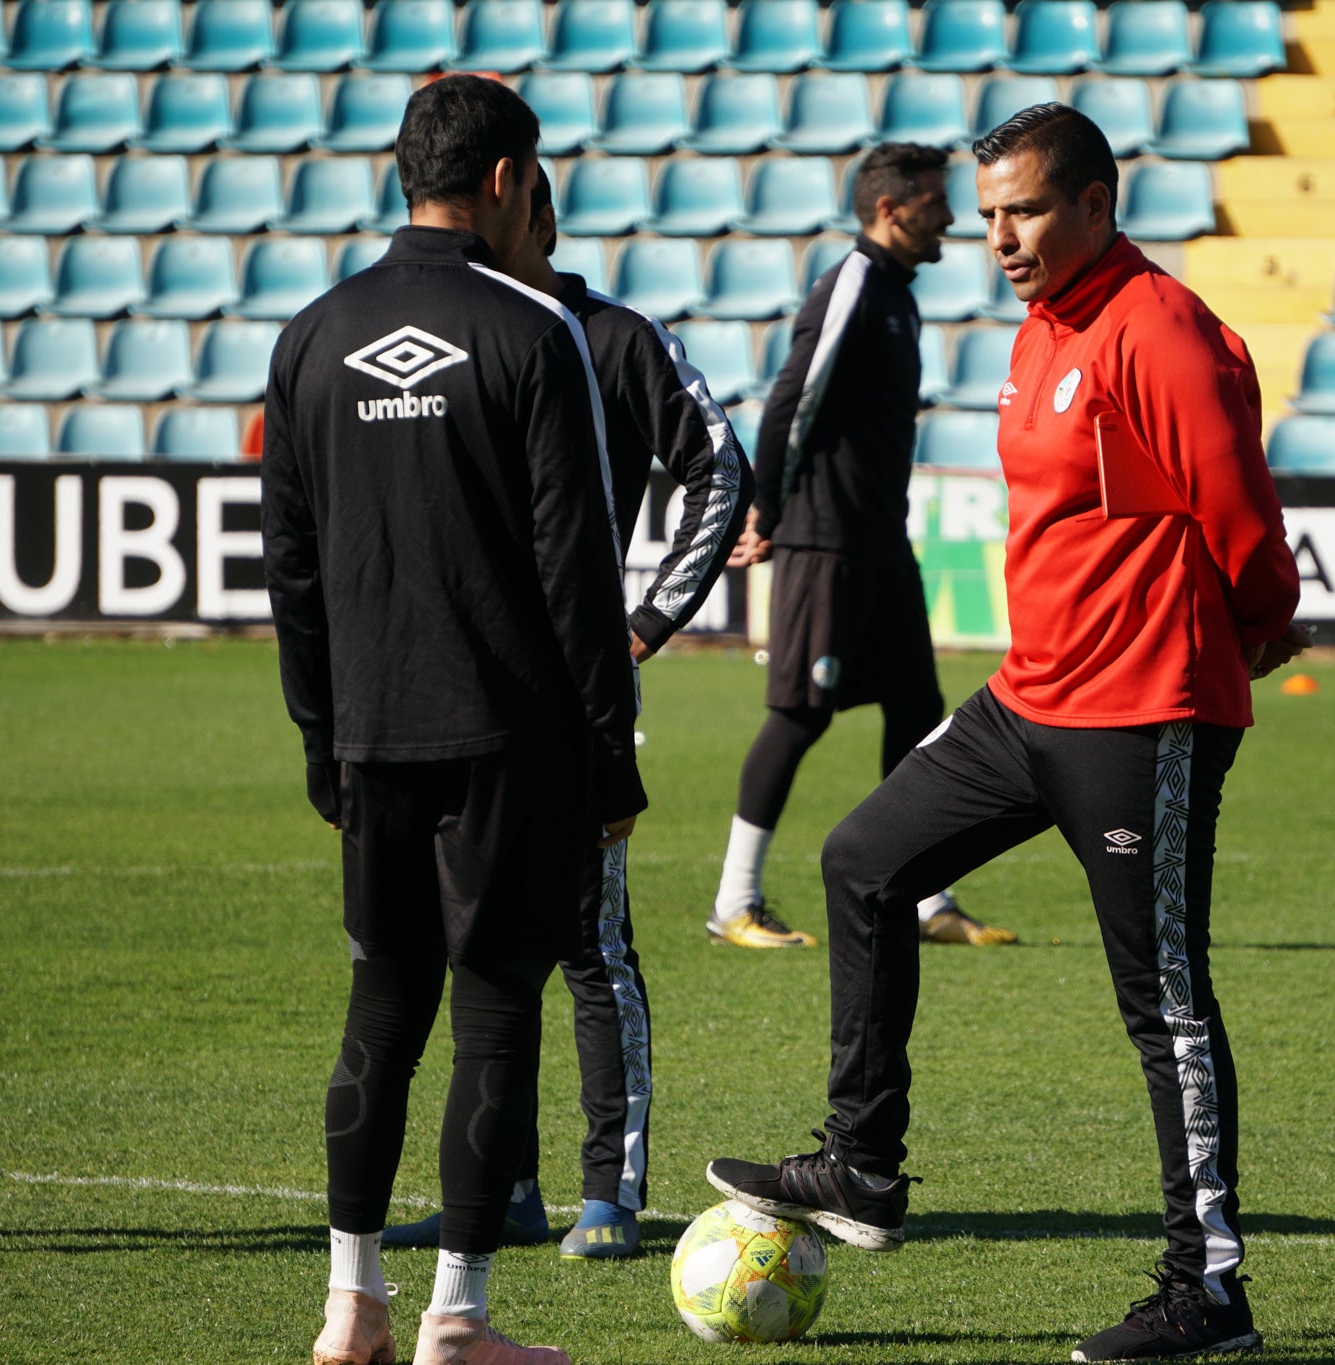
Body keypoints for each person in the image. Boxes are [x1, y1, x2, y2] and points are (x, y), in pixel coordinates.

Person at [704, 103, 1312, 1363]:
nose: (999, 237)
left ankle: (1207, 1288)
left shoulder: (1161, 331)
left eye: (1024, 210)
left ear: (1096, 203)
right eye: (986, 216)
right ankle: (863, 1166)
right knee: (861, 862)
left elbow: (1243, 519)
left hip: (1140, 714)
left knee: (1165, 1005)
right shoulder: (1040, 330)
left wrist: (1256, 628)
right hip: (1025, 700)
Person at [262, 75, 644, 1365]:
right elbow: (575, 572)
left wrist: (322, 738)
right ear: (504, 180)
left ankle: (347, 1309)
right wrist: (608, 752)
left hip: (370, 733)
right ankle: (460, 1325)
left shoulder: (312, 336)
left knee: (378, 1008)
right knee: (492, 1015)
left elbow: (292, 566)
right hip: (506, 741)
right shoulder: (534, 335)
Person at [385, 178, 755, 1260]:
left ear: (534, 223)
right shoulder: (447, 342)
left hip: (578, 696)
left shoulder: (617, 340)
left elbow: (719, 470)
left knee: (591, 942)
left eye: (487, 225)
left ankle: (612, 1192)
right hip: (455, 694)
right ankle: (501, 1189)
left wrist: (641, 624)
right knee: (477, 945)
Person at [709, 140, 1018, 951]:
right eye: (937, 201)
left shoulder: (898, 293)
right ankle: (734, 900)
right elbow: (789, 402)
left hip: (882, 544)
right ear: (891, 208)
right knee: (799, 716)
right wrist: (769, 512)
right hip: (826, 543)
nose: (953, 216)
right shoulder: (850, 283)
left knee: (920, 716)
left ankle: (925, 897)